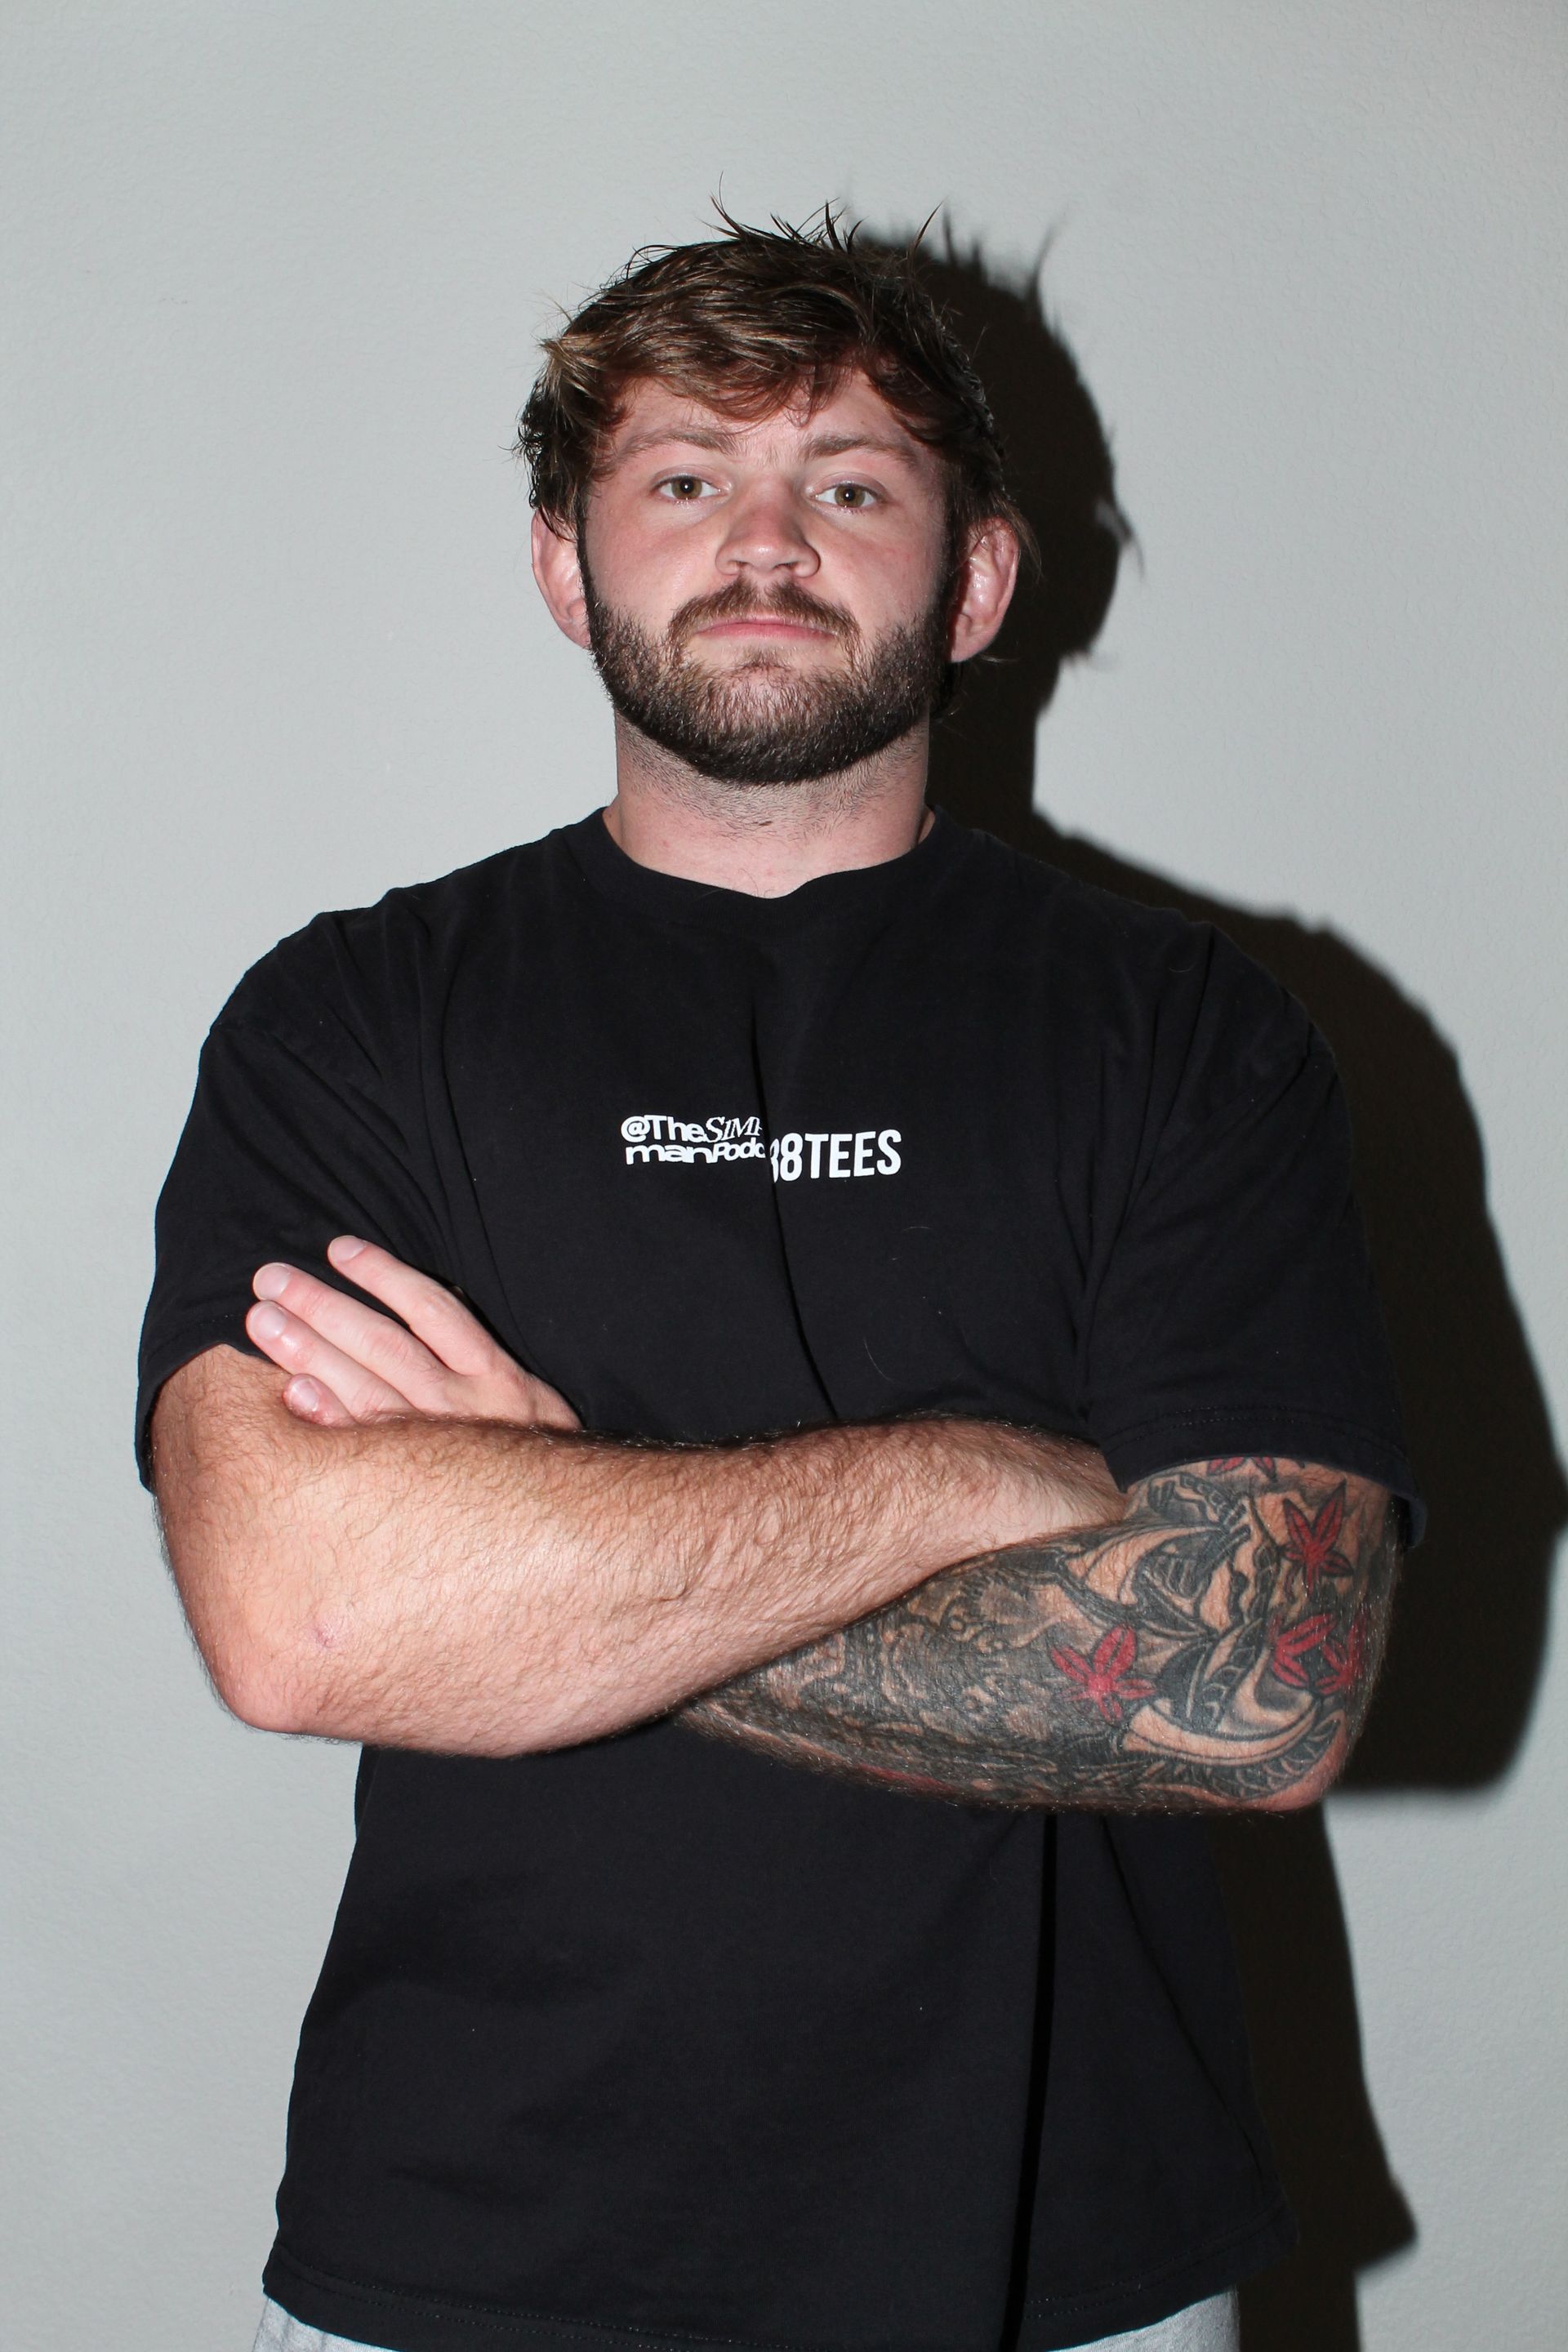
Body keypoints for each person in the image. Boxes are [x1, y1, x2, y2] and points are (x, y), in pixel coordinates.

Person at [139, 213, 1418, 2352]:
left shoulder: (1187, 1032)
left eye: (845, 482)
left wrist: (553, 1533)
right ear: (566, 566)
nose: (762, 543)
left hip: (1069, 2255)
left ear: (978, 576)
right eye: (681, 480)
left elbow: (1263, 1681)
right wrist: (958, 1480)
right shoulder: (352, 1021)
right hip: (468, 2251)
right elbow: (307, 1618)